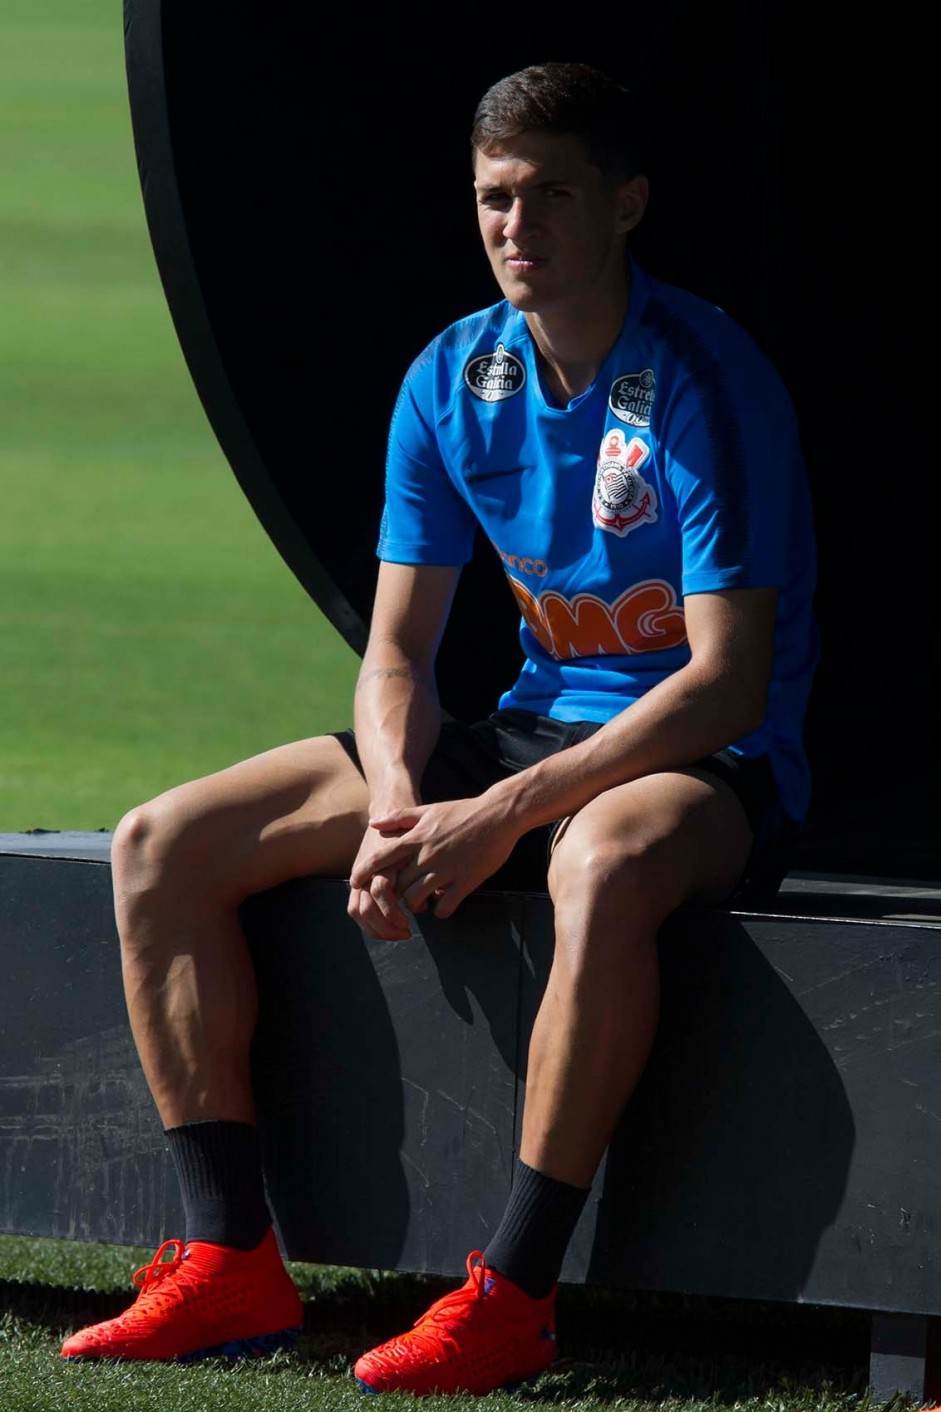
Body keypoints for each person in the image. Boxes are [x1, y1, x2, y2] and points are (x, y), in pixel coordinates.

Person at [60, 60, 818, 1396]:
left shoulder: (702, 376)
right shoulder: (452, 375)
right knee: (160, 841)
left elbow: (725, 685)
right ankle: (227, 1261)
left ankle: (513, 1294)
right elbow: (396, 651)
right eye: (490, 199)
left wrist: (503, 815)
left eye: (544, 196)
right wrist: (408, 803)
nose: (511, 227)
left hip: (701, 762)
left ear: (625, 205)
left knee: (601, 861)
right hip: (524, 736)